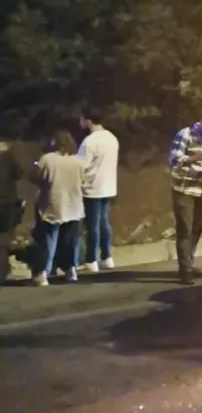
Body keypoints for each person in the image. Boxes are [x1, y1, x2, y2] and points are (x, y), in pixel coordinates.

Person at [169, 112, 202, 284]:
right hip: (184, 189)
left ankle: (189, 262)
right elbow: (174, 159)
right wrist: (194, 158)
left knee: (197, 228)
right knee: (185, 228)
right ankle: (185, 270)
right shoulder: (185, 135)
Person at [31, 130, 86, 287]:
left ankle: (43, 273)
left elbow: (38, 177)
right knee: (70, 241)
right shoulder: (79, 162)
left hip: (52, 205)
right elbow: (84, 181)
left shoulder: (47, 160)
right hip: (74, 206)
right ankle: (71, 270)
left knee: (48, 241)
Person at [78, 107, 119, 272]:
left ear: (88, 121)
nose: (79, 122)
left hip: (92, 187)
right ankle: (107, 256)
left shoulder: (90, 141)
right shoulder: (112, 138)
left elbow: (81, 166)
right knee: (104, 222)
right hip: (108, 186)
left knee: (92, 224)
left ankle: (90, 260)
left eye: (81, 119)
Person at [0, 138, 24, 285]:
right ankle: (3, 270)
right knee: (3, 238)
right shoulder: (7, 156)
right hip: (7, 201)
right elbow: (18, 173)